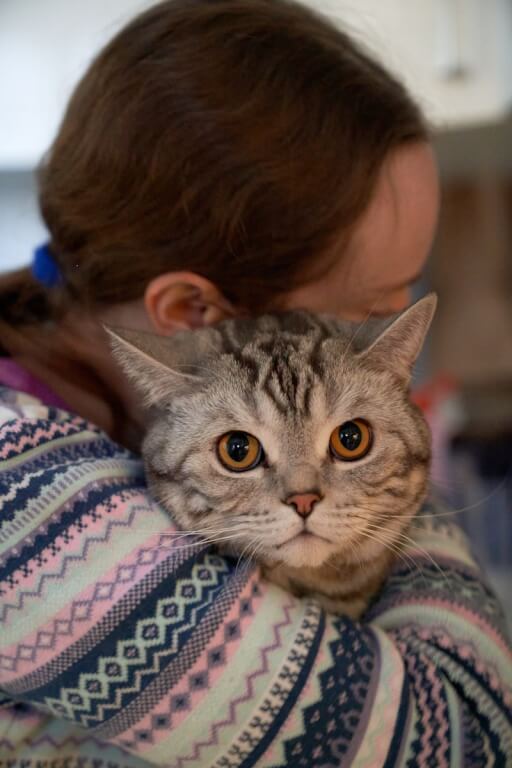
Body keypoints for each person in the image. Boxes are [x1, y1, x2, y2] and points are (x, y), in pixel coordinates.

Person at [0, 1, 510, 766]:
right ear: (191, 314)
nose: (395, 326)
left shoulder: (122, 398)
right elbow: (461, 736)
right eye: (371, 305)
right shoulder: (24, 499)